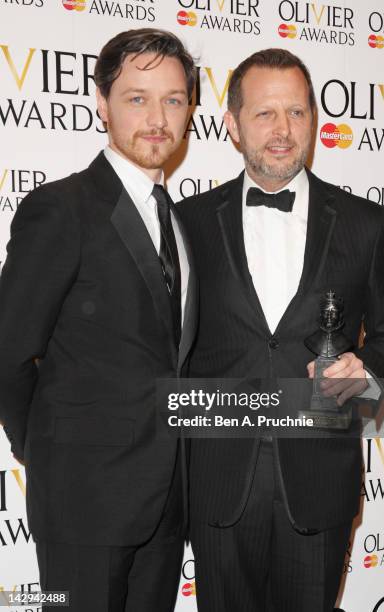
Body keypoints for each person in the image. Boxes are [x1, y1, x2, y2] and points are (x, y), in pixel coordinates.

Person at [178, 48, 384, 612]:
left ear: (314, 121)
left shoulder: (366, 223)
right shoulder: (184, 224)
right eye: (264, 114)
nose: (283, 131)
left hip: (319, 481)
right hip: (217, 483)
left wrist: (368, 366)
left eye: (298, 113)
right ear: (231, 124)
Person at [0, 28, 197, 612]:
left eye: (173, 99)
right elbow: (7, 352)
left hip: (166, 504)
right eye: (137, 97)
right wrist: (44, 448)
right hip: (83, 501)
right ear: (101, 102)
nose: (157, 117)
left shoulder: (181, 223)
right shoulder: (60, 209)